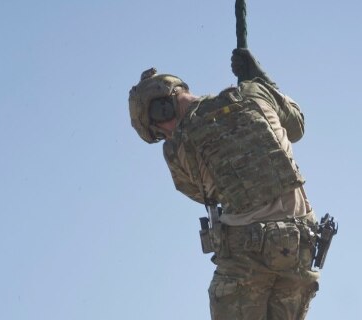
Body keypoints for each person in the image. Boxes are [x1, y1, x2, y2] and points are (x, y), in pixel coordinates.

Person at [128, 49, 320, 319]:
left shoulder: (176, 148)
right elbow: (297, 125)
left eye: (159, 129)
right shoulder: (254, 93)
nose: (166, 134)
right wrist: (262, 80)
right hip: (300, 246)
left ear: (162, 108)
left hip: (245, 255)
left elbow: (203, 193)